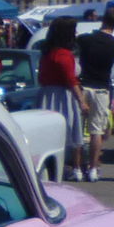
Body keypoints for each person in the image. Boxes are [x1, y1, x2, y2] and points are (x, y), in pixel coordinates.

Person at [34, 16, 93, 180]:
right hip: (63, 95)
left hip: (48, 94)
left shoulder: (47, 53)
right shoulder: (63, 55)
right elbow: (71, 80)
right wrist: (82, 101)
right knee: (73, 130)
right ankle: (76, 168)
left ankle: (60, 166)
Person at [75, 10, 114, 182]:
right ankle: (93, 168)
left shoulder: (85, 40)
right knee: (97, 131)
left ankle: (77, 167)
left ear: (103, 20)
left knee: (79, 130)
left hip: (83, 85)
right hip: (102, 88)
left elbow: (78, 43)